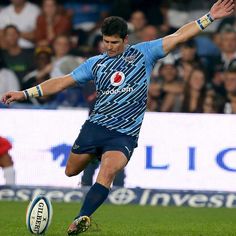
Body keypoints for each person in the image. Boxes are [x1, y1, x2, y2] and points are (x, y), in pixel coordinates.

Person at [1, 1, 234, 234]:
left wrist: (210, 17)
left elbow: (179, 36)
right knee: (71, 171)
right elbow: (62, 82)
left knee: (108, 171)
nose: (109, 47)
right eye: (106, 42)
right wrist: (24, 93)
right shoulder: (95, 64)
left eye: (114, 42)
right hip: (96, 126)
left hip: (124, 133)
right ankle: (94, 155)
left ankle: (81, 217)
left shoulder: (145, 53)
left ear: (125, 40)